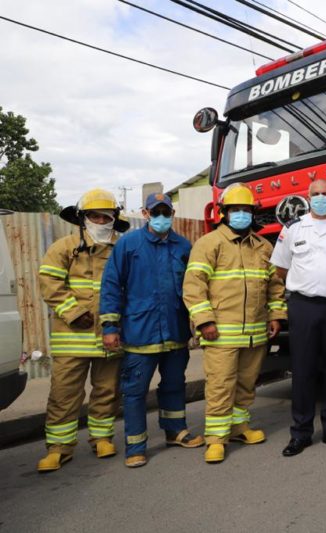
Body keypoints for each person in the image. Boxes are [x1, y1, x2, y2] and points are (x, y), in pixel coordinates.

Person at [183, 183, 287, 464]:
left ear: (253, 213)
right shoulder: (209, 243)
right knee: (220, 385)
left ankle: (239, 427)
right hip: (220, 332)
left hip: (255, 332)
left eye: (246, 210)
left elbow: (275, 286)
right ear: (224, 213)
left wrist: (276, 315)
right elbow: (194, 287)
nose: (241, 214)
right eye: (235, 210)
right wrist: (204, 322)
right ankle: (216, 438)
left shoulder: (263, 246)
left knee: (245, 383)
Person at [100, 193, 204, 468]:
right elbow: (111, 285)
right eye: (155, 212)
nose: (161, 217)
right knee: (134, 391)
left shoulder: (183, 246)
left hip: (175, 330)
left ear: (172, 214)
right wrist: (110, 326)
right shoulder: (128, 245)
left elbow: (195, 287)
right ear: (145, 213)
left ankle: (175, 430)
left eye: (166, 212)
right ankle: (135, 445)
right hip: (139, 332)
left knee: (174, 384)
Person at [36, 189, 130, 472]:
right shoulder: (63, 247)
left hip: (110, 336)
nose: (101, 221)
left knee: (107, 391)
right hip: (72, 338)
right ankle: (59, 448)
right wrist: (74, 313)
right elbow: (50, 283)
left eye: (107, 216)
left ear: (115, 218)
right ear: (82, 218)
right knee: (64, 394)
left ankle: (101, 438)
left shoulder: (123, 248)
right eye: (94, 216)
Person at [270, 179, 326, 456]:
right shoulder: (293, 229)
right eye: (315, 194)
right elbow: (281, 268)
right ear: (308, 197)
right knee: (303, 370)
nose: (320, 198)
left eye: (325, 194)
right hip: (303, 306)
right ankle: (301, 432)